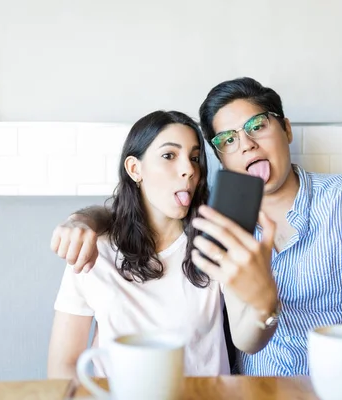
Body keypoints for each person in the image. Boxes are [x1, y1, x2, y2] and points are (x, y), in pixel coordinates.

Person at [50, 79, 342, 400]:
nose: (245, 145)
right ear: (221, 158)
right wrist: (88, 218)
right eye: (226, 140)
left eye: (257, 126)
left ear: (285, 129)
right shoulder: (219, 224)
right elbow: (147, 214)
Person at [47, 110, 279, 380]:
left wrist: (265, 305)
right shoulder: (93, 248)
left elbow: (247, 340)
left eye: (194, 158)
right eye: (169, 156)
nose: (189, 170)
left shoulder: (213, 242)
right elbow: (63, 366)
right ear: (135, 169)